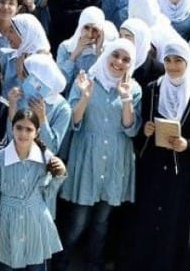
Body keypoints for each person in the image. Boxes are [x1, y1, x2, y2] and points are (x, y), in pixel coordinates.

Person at [53, 39, 142, 271]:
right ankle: (59, 262)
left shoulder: (133, 88)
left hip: (115, 158)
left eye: (126, 59)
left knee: (102, 221)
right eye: (116, 55)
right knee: (78, 220)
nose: (119, 62)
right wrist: (85, 97)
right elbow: (74, 122)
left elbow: (131, 129)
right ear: (106, 55)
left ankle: (95, 264)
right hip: (87, 156)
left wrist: (125, 99)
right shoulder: (86, 79)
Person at [126, 39, 190, 271]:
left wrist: (187, 144)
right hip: (153, 167)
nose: (172, 66)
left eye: (178, 61)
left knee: (174, 224)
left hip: (180, 171)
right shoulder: (153, 89)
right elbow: (140, 130)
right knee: (148, 220)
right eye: (168, 60)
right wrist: (145, 130)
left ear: (187, 62)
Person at [0, 109, 67, 271]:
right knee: (6, 265)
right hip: (6, 223)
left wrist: (60, 175)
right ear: (12, 128)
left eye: (29, 129)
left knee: (36, 266)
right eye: (19, 128)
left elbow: (48, 193)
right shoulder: (0, 158)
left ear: (37, 132)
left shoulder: (45, 158)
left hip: (36, 222)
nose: (23, 133)